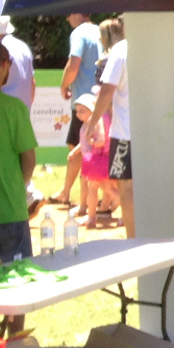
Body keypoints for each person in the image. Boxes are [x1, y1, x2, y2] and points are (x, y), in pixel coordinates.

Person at [0, 41, 35, 267]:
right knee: (20, 281)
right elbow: (29, 160)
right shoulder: (14, 109)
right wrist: (17, 187)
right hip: (10, 210)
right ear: (5, 65)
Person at [83, 16, 137, 238]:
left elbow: (107, 90)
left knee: (126, 187)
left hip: (125, 133)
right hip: (152, 130)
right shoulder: (156, 43)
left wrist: (93, 122)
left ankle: (135, 239)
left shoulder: (121, 50)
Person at [52, 12, 102, 207]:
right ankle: (102, 199)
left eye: (68, 13)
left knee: (76, 148)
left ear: (77, 13)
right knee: (97, 148)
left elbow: (74, 64)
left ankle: (68, 193)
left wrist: (64, 86)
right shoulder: (99, 30)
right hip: (101, 98)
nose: (66, 18)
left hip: (84, 102)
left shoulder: (79, 33)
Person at [71, 93, 117, 227]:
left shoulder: (97, 120)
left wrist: (92, 141)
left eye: (82, 111)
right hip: (95, 160)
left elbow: (101, 140)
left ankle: (91, 216)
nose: (78, 114)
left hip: (97, 160)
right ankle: (90, 215)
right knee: (103, 187)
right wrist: (75, 151)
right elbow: (83, 142)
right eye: (77, 111)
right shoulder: (94, 121)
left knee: (100, 188)